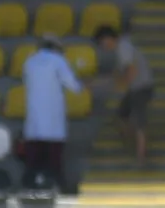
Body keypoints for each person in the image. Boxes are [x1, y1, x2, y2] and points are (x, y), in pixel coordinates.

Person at [21, 33, 82, 189]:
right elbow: (74, 86)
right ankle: (58, 187)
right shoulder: (58, 61)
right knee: (54, 162)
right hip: (53, 123)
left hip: (34, 123)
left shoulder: (29, 62)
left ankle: (31, 187)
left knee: (34, 162)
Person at [93, 25, 154, 166]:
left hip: (141, 87)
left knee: (139, 121)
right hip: (135, 88)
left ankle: (141, 156)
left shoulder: (123, 48)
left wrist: (120, 87)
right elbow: (119, 72)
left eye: (102, 43)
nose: (103, 48)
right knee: (122, 117)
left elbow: (131, 70)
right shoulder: (121, 49)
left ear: (107, 39)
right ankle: (133, 147)